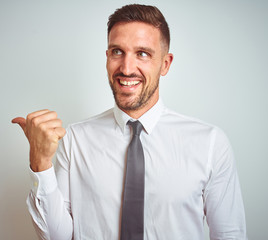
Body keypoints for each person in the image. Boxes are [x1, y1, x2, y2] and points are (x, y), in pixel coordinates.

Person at [12, 4, 247, 240]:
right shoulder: (75, 140)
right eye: (117, 52)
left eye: (142, 53)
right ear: (107, 57)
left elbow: (230, 235)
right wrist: (40, 162)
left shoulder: (210, 143)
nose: (126, 68)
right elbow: (56, 238)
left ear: (165, 64)